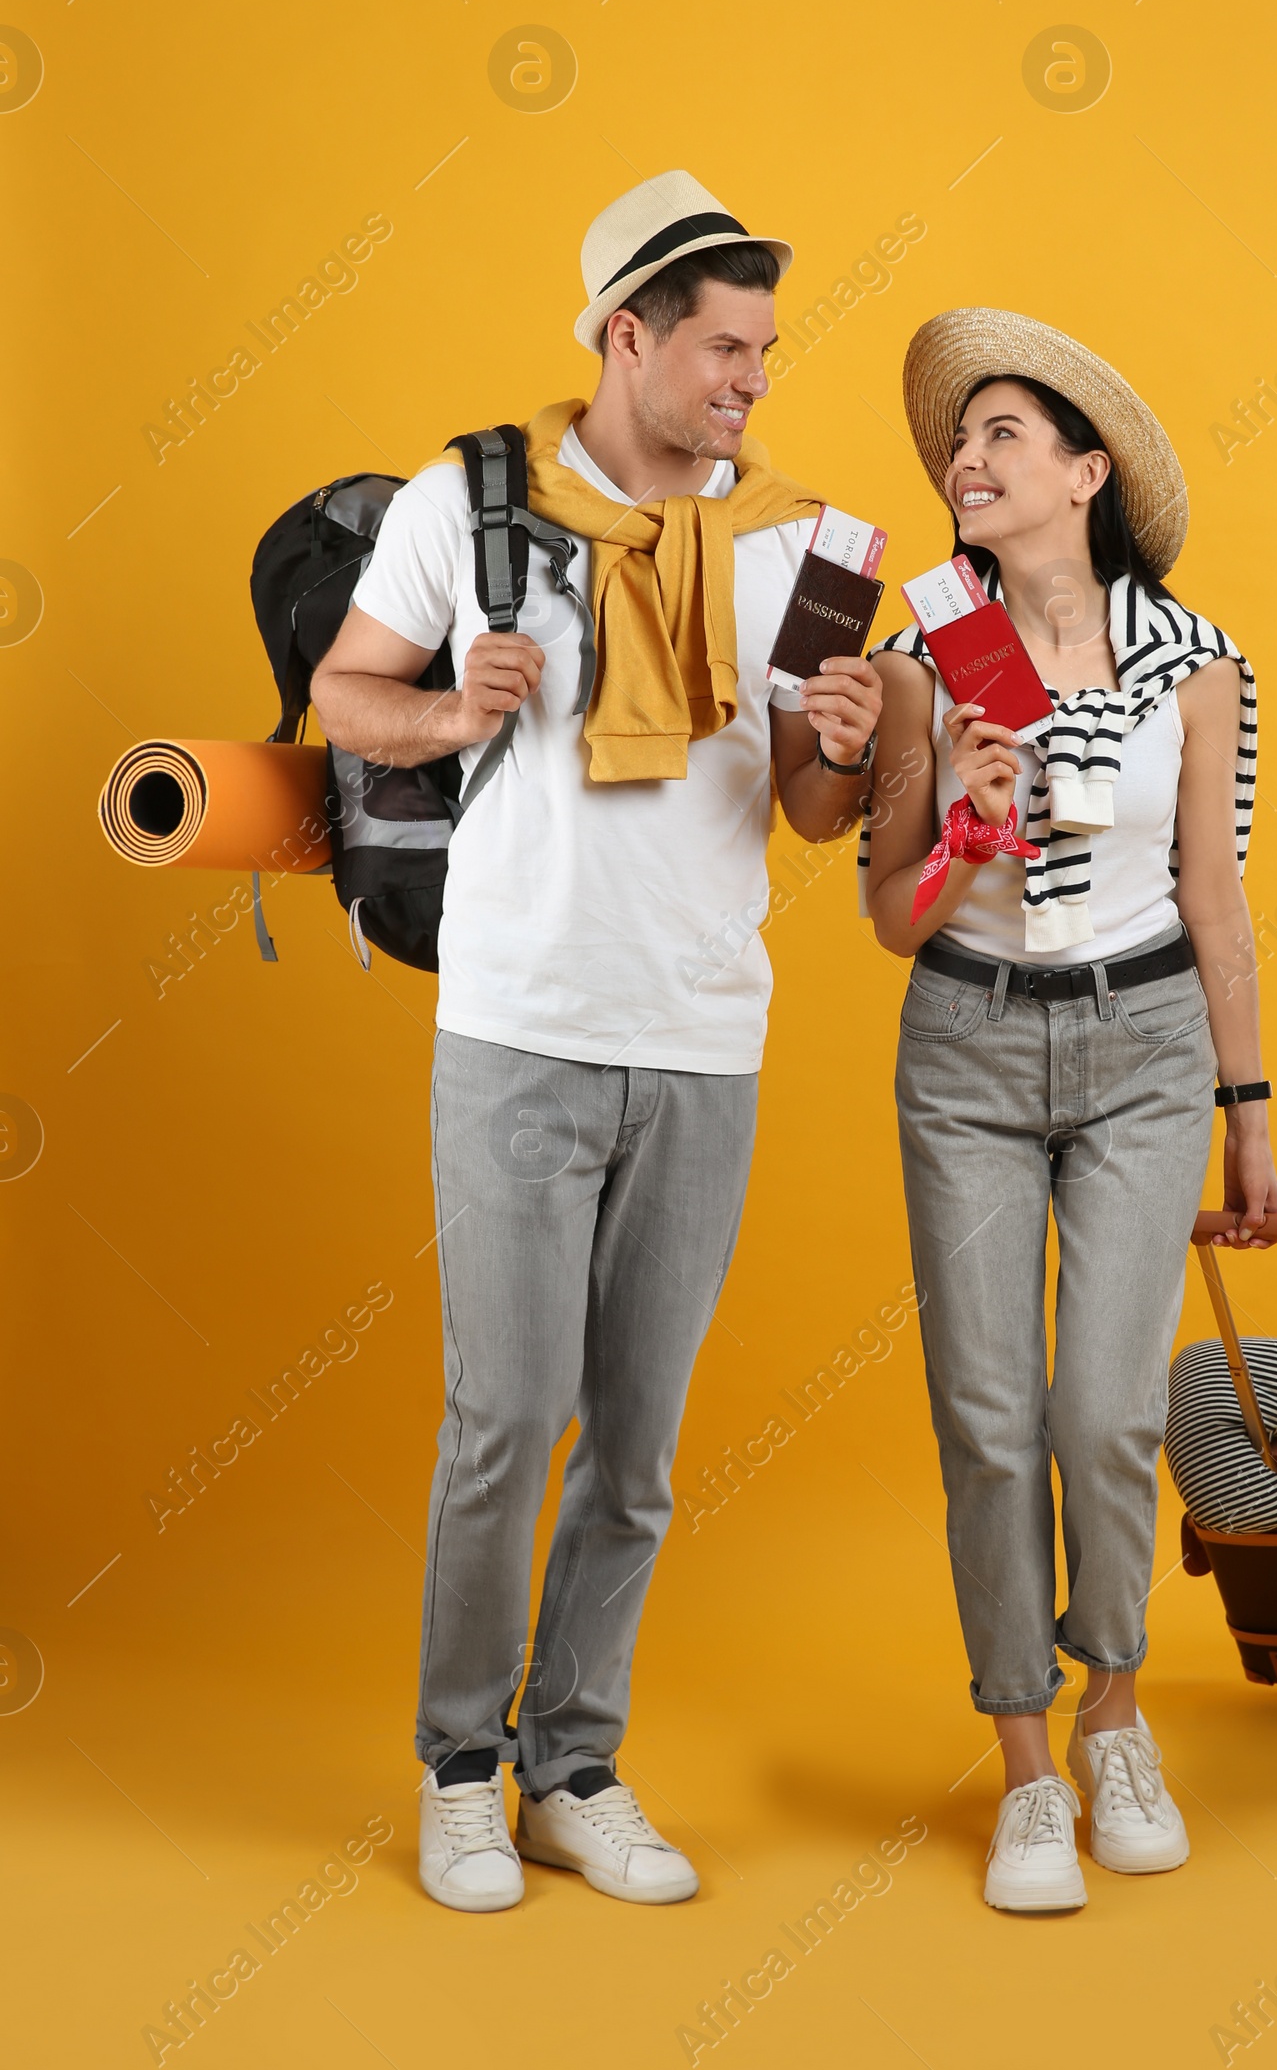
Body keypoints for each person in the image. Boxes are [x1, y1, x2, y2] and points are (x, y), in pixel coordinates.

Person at [312, 171, 882, 1912]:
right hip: (520, 1023)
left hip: (708, 1038)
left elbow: (803, 809)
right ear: (624, 337)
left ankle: (576, 1762)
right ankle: (460, 1770)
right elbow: (344, 694)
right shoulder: (466, 504)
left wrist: (847, 739)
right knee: (506, 1420)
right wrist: (442, 705)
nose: (752, 382)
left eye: (769, 350)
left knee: (634, 1446)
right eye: (722, 347)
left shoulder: (823, 545)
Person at [861, 309, 1277, 1912]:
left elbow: (1217, 896)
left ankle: (1116, 1708)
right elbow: (893, 913)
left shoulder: (1200, 664)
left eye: (1002, 438)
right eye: (959, 442)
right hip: (966, 1052)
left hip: (1150, 1050)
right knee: (986, 1420)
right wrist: (961, 818)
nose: (966, 462)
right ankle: (1028, 1766)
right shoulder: (921, 663)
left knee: (1104, 1413)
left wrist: (1247, 1109)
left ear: (1087, 474)